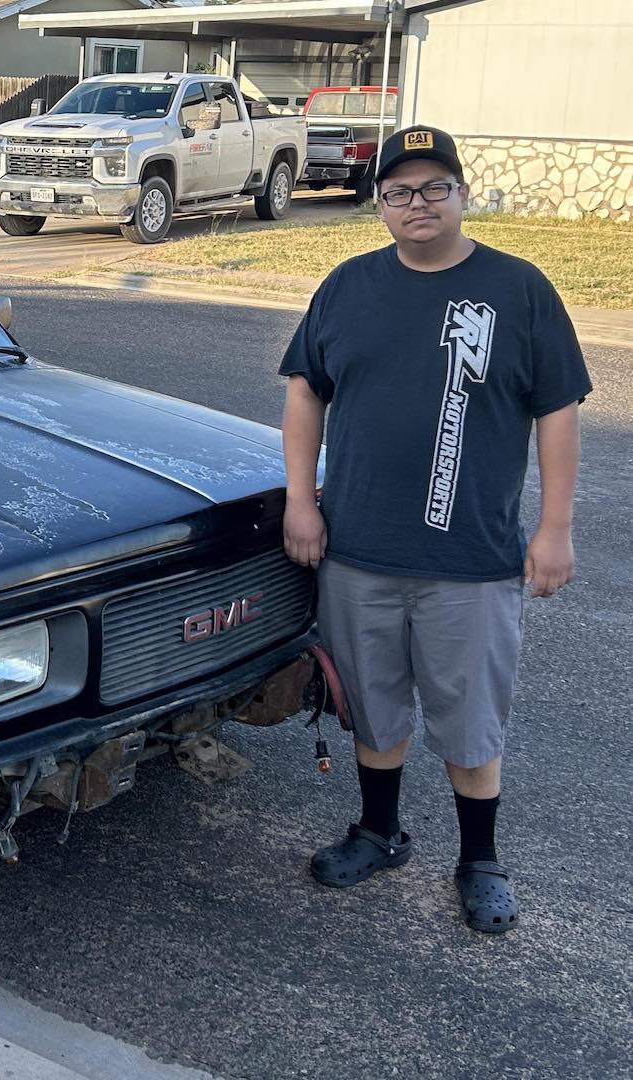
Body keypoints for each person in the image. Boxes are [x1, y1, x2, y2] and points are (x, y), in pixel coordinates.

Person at [278, 126, 592, 933]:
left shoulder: (518, 289)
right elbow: (305, 392)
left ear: (461, 194)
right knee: (376, 711)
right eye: (398, 192)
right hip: (358, 552)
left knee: (469, 721)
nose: (416, 204)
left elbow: (557, 413)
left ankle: (478, 860)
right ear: (378, 204)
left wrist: (554, 529)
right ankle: (380, 833)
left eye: (433, 188)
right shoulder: (347, 288)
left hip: (472, 562)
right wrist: (300, 501)